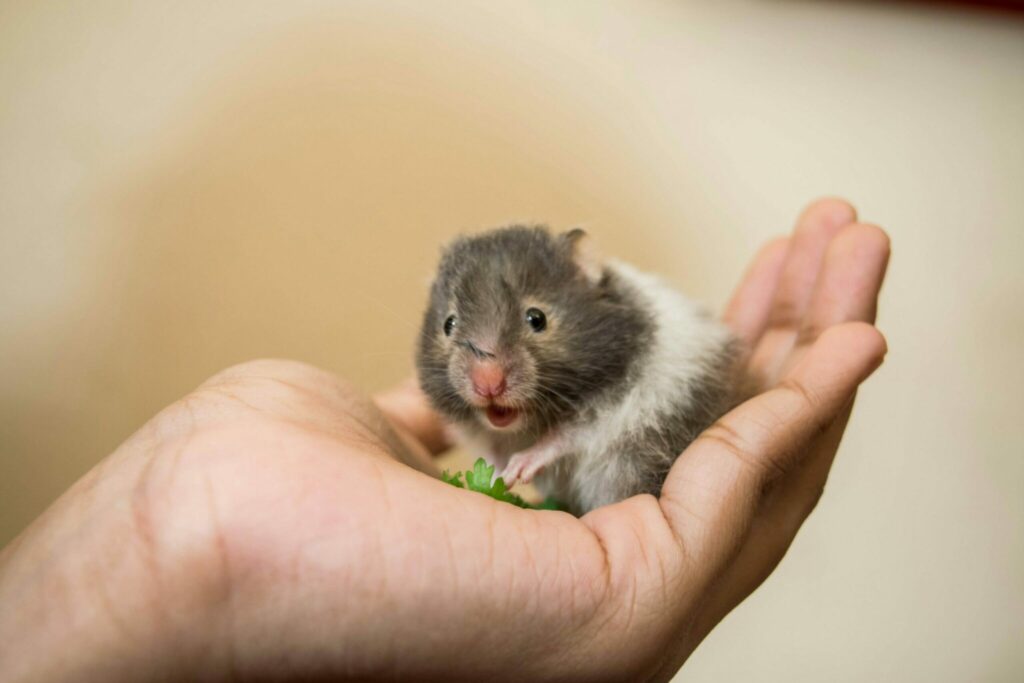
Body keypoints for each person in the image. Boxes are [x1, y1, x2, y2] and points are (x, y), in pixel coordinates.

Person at [0, 198, 889, 682]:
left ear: (584, 285)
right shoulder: (462, 374)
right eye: (459, 331)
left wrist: (564, 443)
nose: (486, 374)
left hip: (634, 422)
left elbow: (608, 396)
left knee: (619, 459)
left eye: (533, 323)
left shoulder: (630, 333)